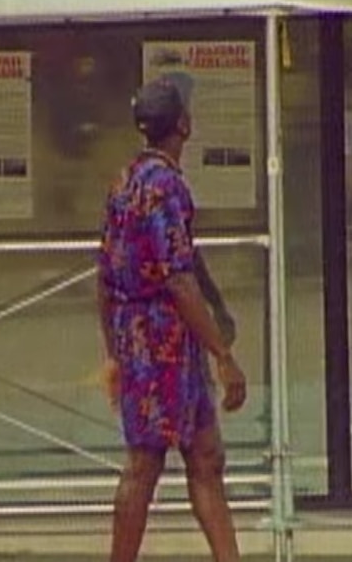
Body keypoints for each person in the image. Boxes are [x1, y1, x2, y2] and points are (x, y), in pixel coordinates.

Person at [97, 74, 248, 562]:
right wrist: (223, 355)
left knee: (206, 456)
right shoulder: (166, 188)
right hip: (161, 344)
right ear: (182, 124)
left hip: (147, 340)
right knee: (145, 463)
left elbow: (104, 273)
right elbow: (179, 280)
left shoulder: (124, 181)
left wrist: (114, 349)